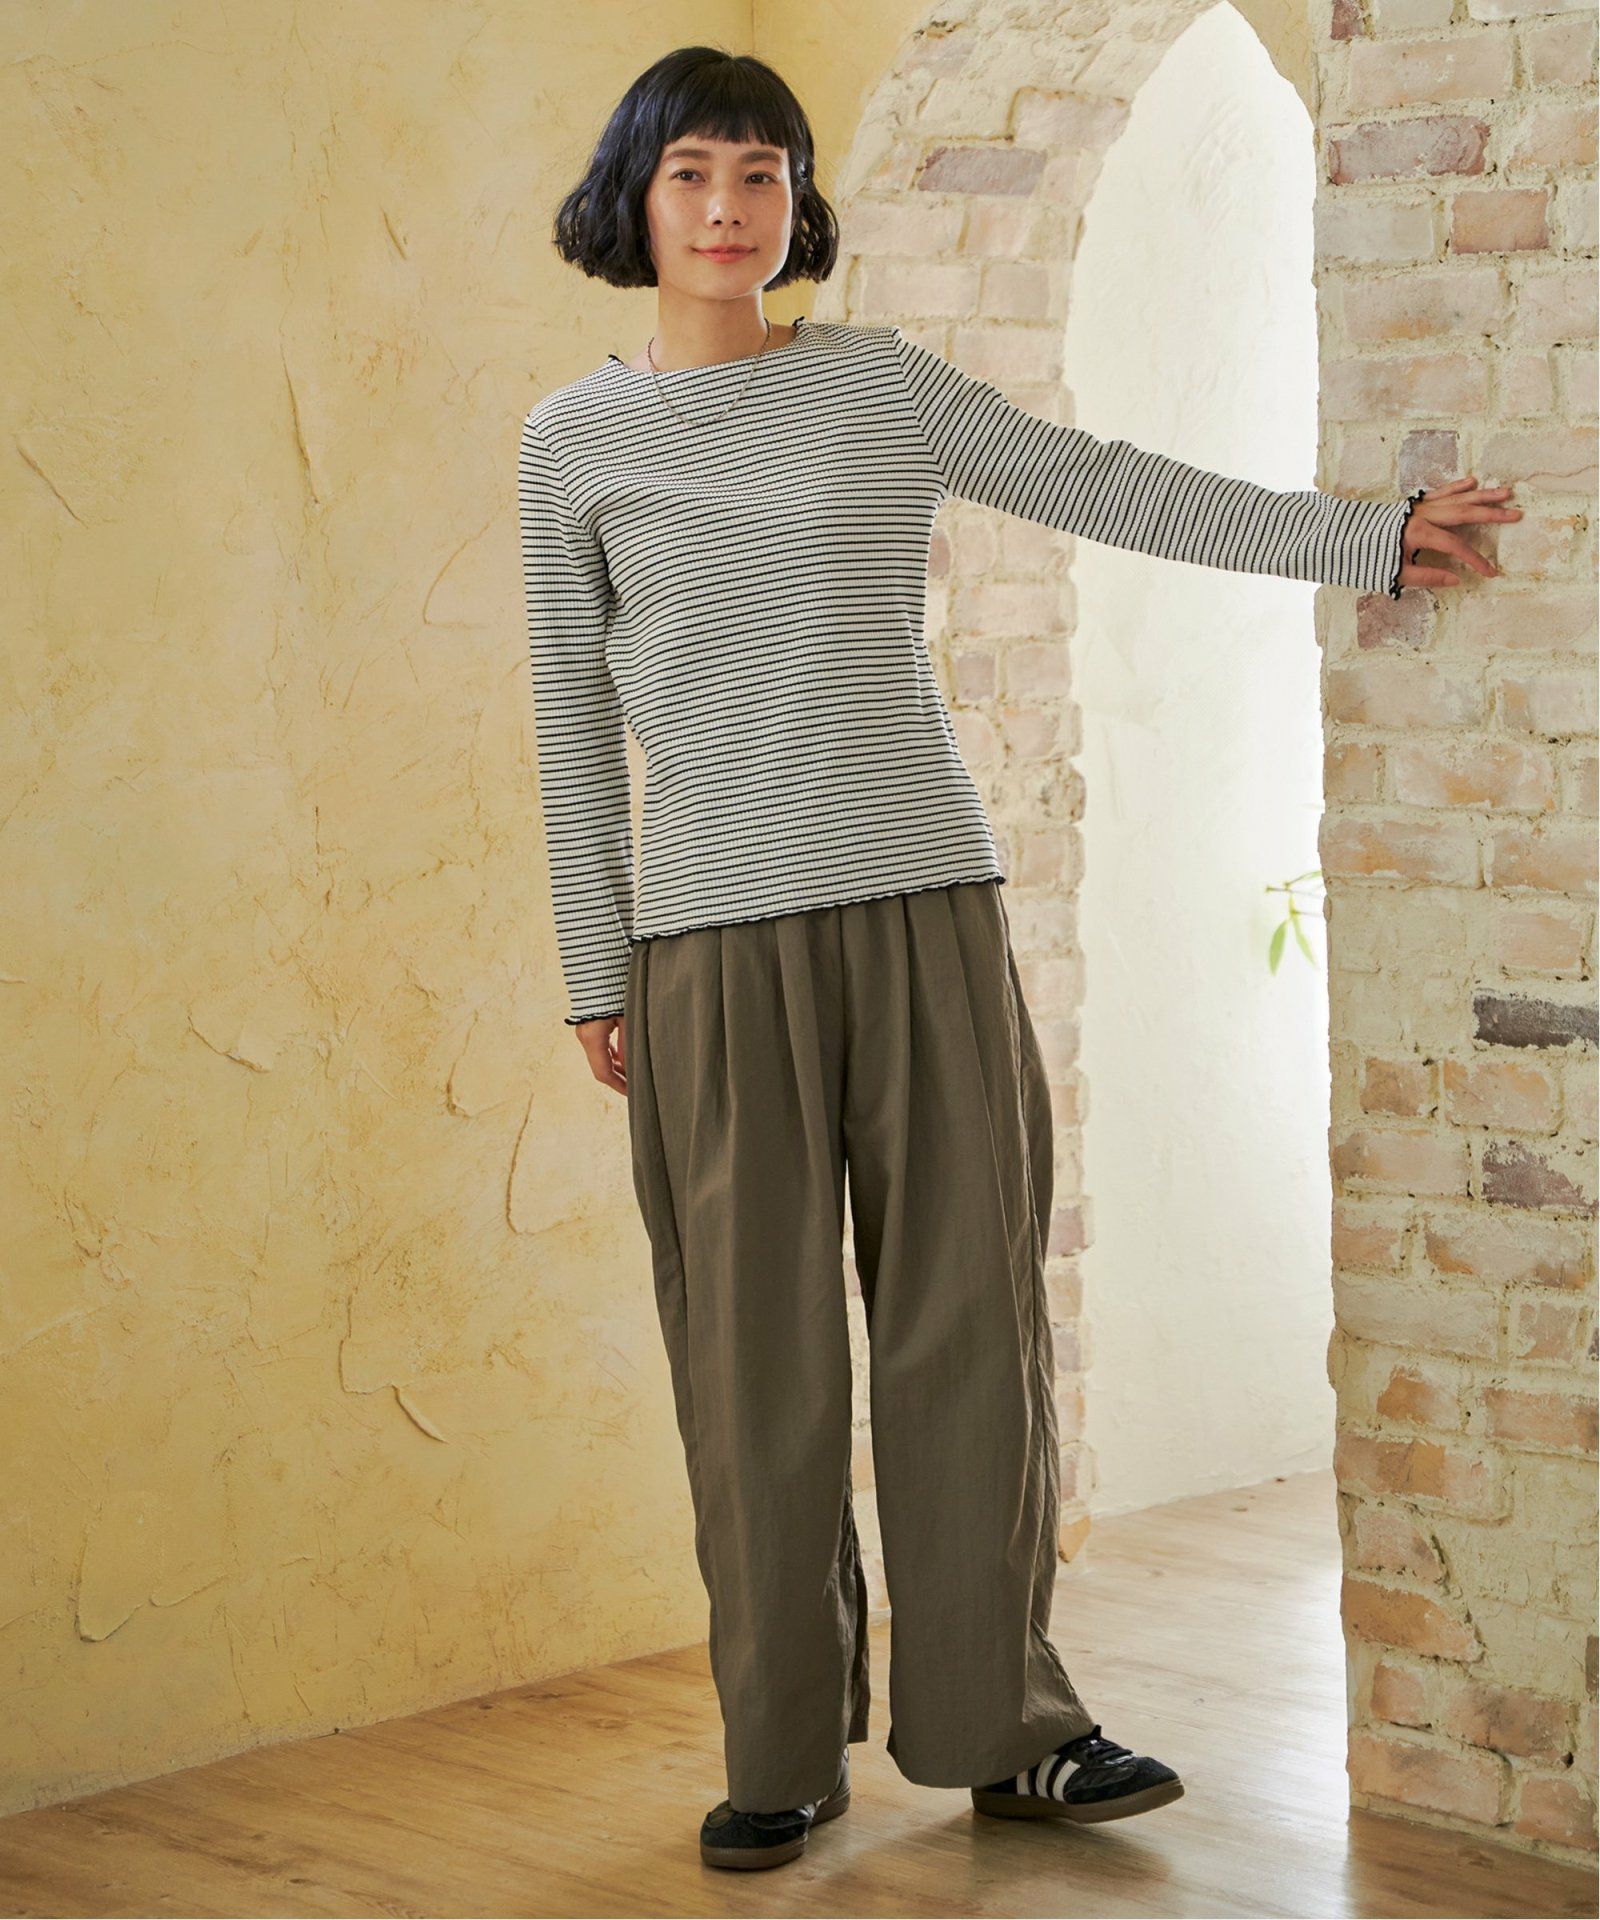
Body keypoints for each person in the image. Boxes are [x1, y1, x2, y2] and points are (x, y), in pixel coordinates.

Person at [517, 44, 1520, 1873]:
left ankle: (1007, 1731)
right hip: (706, 952)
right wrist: (599, 967)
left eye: (762, 173)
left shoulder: (879, 387)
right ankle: (780, 1750)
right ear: (634, 202)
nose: (731, 209)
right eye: (693, 177)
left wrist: (1363, 539)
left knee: (968, 1328)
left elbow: (1105, 486)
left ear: (797, 200)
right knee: (752, 1365)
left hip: (924, 908)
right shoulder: (569, 444)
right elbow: (572, 722)